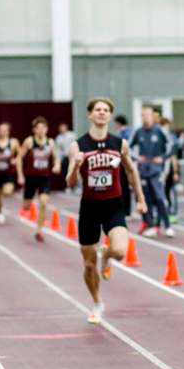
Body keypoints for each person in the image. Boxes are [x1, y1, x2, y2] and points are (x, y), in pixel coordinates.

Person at [66, 98, 147, 324]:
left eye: (106, 110)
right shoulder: (78, 146)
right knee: (89, 264)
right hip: (89, 207)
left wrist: (141, 199)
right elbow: (70, 183)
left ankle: (107, 255)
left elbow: (131, 173)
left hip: (113, 204)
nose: (101, 113)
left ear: (110, 116)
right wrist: (76, 167)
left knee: (121, 251)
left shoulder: (120, 144)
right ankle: (97, 302)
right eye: (97, 110)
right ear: (90, 115)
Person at [130, 106, 174, 238]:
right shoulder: (138, 132)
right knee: (144, 199)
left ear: (153, 116)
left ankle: (167, 226)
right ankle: (151, 225)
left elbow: (172, 145)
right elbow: (127, 147)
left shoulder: (160, 131)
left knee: (160, 198)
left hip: (156, 171)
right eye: (143, 115)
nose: (145, 117)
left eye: (148, 115)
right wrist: (137, 158)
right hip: (143, 171)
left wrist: (163, 158)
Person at [16, 117, 60, 241]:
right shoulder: (29, 142)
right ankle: (26, 205)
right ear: (34, 130)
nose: (41, 130)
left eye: (43, 128)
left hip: (44, 178)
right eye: (38, 128)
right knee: (26, 207)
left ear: (47, 129)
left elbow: (56, 157)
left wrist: (57, 165)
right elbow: (19, 158)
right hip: (30, 178)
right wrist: (20, 175)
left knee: (44, 202)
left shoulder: (50, 142)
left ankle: (39, 231)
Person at [0, 122, 20, 224]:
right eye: (0, 130)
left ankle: (1, 198)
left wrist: (16, 159)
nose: (2, 132)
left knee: (7, 192)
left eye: (4, 130)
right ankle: (0, 212)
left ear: (8, 131)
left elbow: (21, 154)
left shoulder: (13, 142)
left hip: (8, 173)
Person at [161, 118, 180, 223]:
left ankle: (173, 213)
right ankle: (165, 212)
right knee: (163, 192)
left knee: (171, 191)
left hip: (170, 169)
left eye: (167, 125)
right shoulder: (160, 138)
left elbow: (173, 156)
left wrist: (176, 171)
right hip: (161, 168)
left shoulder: (171, 138)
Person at [114, 115, 132, 216]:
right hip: (121, 162)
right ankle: (125, 209)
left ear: (119, 123)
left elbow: (123, 149)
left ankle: (126, 210)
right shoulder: (122, 133)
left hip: (124, 162)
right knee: (123, 186)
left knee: (124, 186)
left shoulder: (126, 133)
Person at [55, 122, 76, 190]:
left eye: (63, 128)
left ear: (66, 128)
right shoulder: (58, 138)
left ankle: (76, 187)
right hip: (65, 157)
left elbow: (76, 144)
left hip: (73, 156)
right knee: (66, 172)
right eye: (61, 128)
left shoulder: (72, 135)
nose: (62, 129)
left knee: (74, 170)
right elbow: (59, 150)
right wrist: (59, 160)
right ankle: (68, 186)